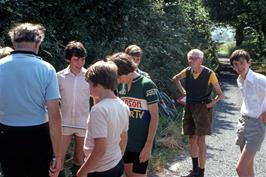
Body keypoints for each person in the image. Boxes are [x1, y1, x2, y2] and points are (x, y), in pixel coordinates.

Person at [0, 22, 62, 177]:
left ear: (14, 43)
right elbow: (55, 116)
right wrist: (58, 155)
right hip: (38, 136)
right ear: (37, 44)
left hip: (7, 135)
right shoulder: (47, 69)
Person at [172, 49, 224, 177]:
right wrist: (183, 91)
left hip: (202, 109)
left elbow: (220, 95)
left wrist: (210, 105)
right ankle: (194, 170)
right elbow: (175, 78)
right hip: (189, 106)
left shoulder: (209, 74)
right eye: (190, 58)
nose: (192, 60)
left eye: (195, 58)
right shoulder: (187, 71)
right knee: (191, 138)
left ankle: (201, 172)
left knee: (201, 140)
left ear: (201, 60)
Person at [108, 52, 159, 177]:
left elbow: (155, 117)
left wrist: (148, 145)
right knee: (127, 174)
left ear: (126, 71)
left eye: (118, 77)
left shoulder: (147, 85)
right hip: (123, 142)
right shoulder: (120, 85)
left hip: (141, 144)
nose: (117, 80)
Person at [76, 60, 129, 177]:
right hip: (116, 163)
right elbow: (124, 138)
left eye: (89, 84)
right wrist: (116, 158)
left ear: (98, 85)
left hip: (100, 170)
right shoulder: (123, 105)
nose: (88, 88)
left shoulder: (99, 110)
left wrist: (83, 171)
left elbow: (100, 149)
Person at [229, 49, 266, 177]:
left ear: (249, 63)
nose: (239, 67)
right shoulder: (239, 80)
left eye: (241, 63)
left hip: (257, 125)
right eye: (235, 64)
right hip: (243, 122)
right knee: (248, 167)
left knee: (240, 169)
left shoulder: (259, 79)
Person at [57, 41, 90, 177]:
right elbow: (53, 101)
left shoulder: (90, 76)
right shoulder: (58, 76)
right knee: (59, 157)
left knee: (79, 158)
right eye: (76, 59)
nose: (80, 63)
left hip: (84, 123)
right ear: (68, 59)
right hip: (64, 123)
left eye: (82, 59)